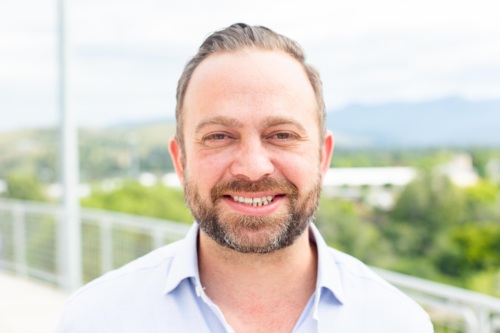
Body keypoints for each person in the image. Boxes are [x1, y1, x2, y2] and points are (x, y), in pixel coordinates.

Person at [56, 23, 433, 332]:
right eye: (219, 136)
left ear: (322, 156)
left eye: (282, 135)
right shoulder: (95, 320)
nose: (253, 167)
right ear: (180, 159)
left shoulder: (397, 323)